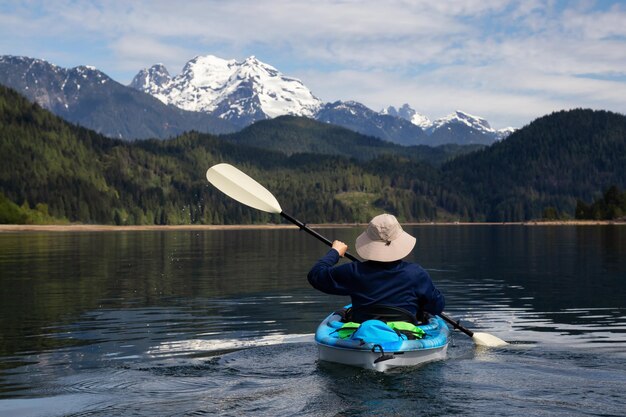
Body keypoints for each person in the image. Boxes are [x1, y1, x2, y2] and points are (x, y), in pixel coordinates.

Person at [307, 213, 444, 323]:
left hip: (363, 338)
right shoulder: (416, 274)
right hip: (406, 338)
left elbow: (315, 275)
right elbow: (437, 307)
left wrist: (335, 252)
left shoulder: (354, 271)